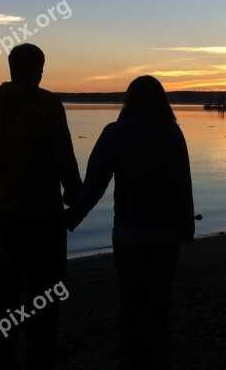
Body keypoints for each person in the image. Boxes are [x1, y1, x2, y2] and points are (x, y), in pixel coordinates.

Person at [66, 75, 194, 370]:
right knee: (159, 309)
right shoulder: (173, 133)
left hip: (129, 236)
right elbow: (182, 187)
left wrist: (72, 218)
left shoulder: (115, 132)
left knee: (132, 309)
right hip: (166, 235)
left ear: (130, 100)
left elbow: (95, 183)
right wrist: (187, 227)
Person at [0, 43, 82, 370]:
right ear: (38, 70)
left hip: (5, 217)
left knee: (6, 296)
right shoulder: (47, 104)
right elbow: (64, 156)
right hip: (44, 218)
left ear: (11, 69)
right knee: (45, 298)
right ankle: (40, 359)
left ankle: (5, 360)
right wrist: (74, 196)